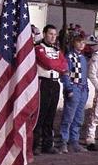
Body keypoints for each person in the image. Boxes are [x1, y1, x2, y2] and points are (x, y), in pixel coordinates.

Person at [33, 24, 68, 155]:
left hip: (55, 83)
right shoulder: (38, 48)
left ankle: (47, 145)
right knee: (40, 116)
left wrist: (57, 65)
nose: (53, 37)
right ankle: (34, 145)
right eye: (50, 34)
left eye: (55, 34)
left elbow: (65, 66)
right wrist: (57, 64)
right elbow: (48, 64)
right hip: (43, 83)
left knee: (51, 116)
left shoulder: (57, 50)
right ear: (44, 34)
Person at [59, 35, 89, 153]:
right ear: (74, 43)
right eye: (79, 42)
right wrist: (68, 88)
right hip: (74, 88)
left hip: (82, 89)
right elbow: (65, 73)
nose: (82, 44)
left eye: (83, 42)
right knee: (68, 116)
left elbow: (85, 75)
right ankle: (63, 141)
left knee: (79, 117)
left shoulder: (83, 58)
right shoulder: (69, 57)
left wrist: (86, 90)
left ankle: (74, 141)